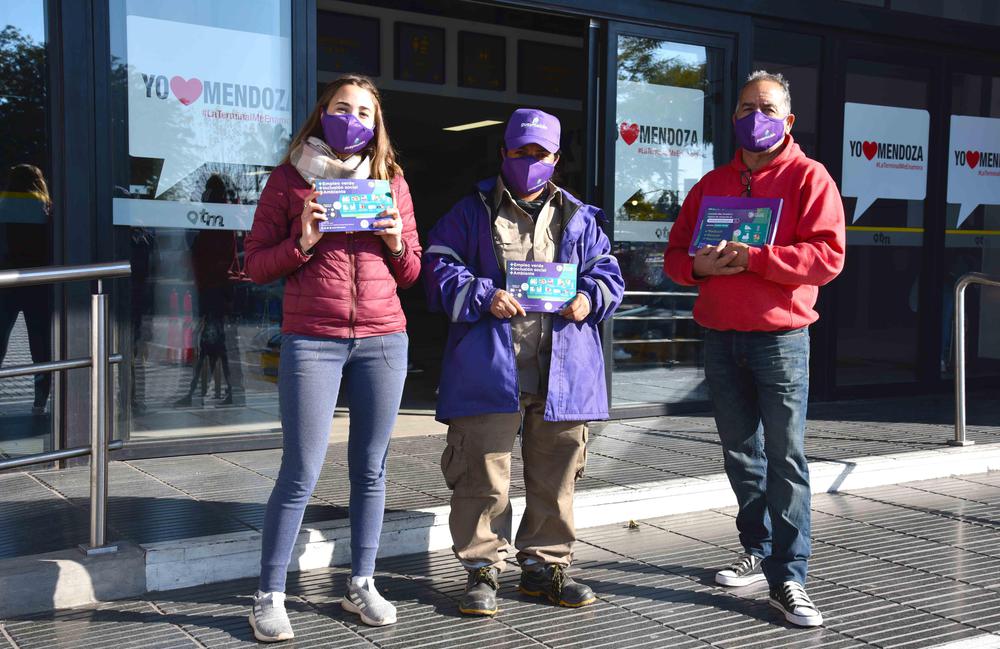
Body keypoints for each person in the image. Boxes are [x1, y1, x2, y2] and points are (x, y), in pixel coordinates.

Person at [424, 108, 624, 617]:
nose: (530, 161)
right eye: (520, 152)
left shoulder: (580, 216)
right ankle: (480, 569)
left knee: (556, 477)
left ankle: (546, 568)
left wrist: (590, 298)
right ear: (503, 153)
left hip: (561, 371)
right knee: (480, 475)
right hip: (489, 368)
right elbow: (437, 267)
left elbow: (609, 274)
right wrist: (480, 293)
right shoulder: (470, 211)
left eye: (540, 154)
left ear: (556, 158)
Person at [664, 71, 845, 627]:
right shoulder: (711, 183)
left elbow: (827, 258)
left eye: (765, 108)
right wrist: (699, 267)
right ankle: (758, 548)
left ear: (787, 120)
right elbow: (674, 256)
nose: (753, 117)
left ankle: (790, 577)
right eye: (744, 108)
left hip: (781, 341)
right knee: (741, 453)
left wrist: (756, 258)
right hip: (721, 337)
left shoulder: (810, 179)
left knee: (786, 458)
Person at [244, 74, 421, 641]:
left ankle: (362, 583)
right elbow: (255, 265)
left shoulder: (390, 180)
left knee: (370, 468)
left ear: (377, 124)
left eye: (365, 112)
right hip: (312, 338)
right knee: (301, 471)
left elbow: (413, 270)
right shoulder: (288, 180)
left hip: (384, 338)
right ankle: (268, 594)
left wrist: (395, 242)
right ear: (322, 113)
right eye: (343, 108)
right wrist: (302, 239)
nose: (354, 119)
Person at [0, 164, 53, 415]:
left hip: (6, 281)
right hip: (38, 283)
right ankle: (40, 402)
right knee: (40, 345)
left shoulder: (2, 204)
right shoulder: (46, 209)